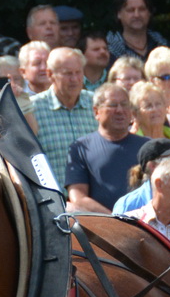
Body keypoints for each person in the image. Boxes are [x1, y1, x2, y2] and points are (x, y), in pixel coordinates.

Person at [63, 85, 149, 214]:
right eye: (113, 105)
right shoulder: (81, 148)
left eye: (125, 104)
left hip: (146, 225)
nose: (120, 110)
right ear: (96, 112)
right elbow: (78, 197)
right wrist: (115, 220)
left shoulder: (147, 147)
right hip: (101, 227)